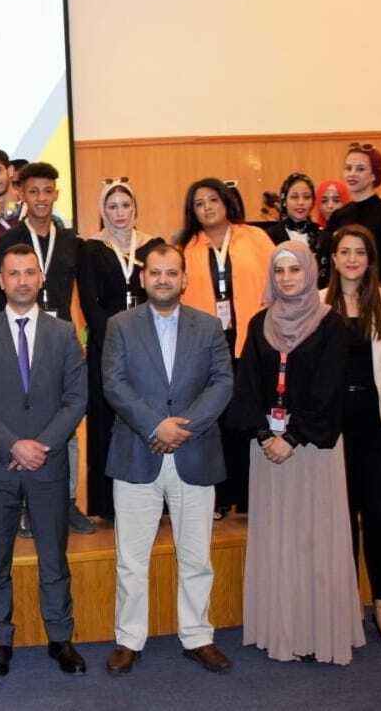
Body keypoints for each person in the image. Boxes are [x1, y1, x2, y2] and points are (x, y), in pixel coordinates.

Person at [101, 240, 235, 675]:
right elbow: (114, 384)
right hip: (136, 453)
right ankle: (129, 639)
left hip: (195, 452)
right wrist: (155, 426)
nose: (163, 280)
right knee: (131, 559)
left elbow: (222, 383)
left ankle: (197, 636)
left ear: (184, 279)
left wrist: (182, 428)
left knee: (196, 556)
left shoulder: (209, 326)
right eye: (155, 272)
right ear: (143, 278)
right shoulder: (120, 325)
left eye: (171, 273)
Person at [230, 242, 365, 664]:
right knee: (278, 539)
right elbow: (247, 385)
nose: (287, 278)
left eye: (295, 270)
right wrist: (263, 434)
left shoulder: (332, 325)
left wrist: (291, 438)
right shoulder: (259, 323)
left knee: (314, 540)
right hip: (268, 451)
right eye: (279, 271)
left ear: (311, 272)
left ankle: (317, 632)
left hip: (311, 450)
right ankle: (281, 630)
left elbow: (330, 389)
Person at [0, 244, 89, 679]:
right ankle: (0, 641)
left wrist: (43, 445)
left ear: (41, 278)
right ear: (0, 281)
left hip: (48, 464)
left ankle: (60, 638)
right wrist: (13, 445)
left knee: (54, 557)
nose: (22, 280)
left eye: (29, 272)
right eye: (13, 273)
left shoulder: (63, 333)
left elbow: (76, 400)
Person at [0, 162, 92, 534]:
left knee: (67, 422)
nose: (41, 199)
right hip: (20, 339)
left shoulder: (72, 241)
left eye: (47, 191)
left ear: (56, 194)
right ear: (22, 195)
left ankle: (68, 502)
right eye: (33, 192)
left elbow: (84, 295)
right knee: (22, 421)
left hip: (59, 340)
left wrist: (82, 340)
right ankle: (24, 506)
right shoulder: (8, 242)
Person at [325, 224, 381, 649]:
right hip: (333, 430)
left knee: (379, 518)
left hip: (379, 426)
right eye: (345, 251)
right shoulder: (318, 302)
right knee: (341, 520)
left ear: (370, 258)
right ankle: (347, 605)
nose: (352, 259)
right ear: (334, 258)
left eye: (360, 252)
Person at [175, 177, 275, 520]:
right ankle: (218, 496)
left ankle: (248, 496)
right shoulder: (186, 247)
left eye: (213, 200)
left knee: (247, 418)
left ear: (226, 202)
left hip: (251, 342)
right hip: (206, 347)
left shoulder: (255, 237)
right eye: (199, 203)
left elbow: (276, 282)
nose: (207, 208)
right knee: (212, 421)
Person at [77, 179, 154, 522]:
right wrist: (116, 338)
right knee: (105, 423)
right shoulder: (91, 249)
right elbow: (89, 303)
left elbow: (160, 295)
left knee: (147, 417)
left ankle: (152, 496)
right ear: (102, 211)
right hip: (106, 346)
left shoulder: (153, 246)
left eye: (125, 205)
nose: (120, 213)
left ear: (135, 208)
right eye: (112, 206)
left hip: (148, 346)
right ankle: (106, 504)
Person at [326, 143, 381, 292]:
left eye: (360, 169)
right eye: (348, 168)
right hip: (342, 295)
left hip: (377, 294)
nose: (352, 174)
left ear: (374, 175)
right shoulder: (338, 216)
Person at [264, 172, 332, 288]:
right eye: (294, 197)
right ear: (284, 201)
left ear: (313, 202)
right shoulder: (270, 236)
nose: (301, 202)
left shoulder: (324, 237)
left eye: (307, 197)